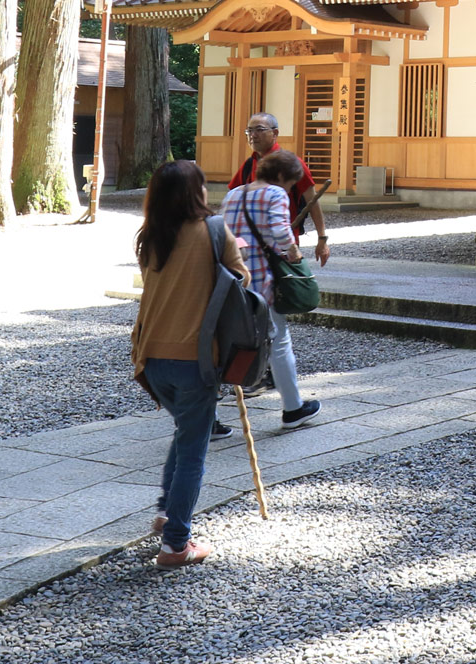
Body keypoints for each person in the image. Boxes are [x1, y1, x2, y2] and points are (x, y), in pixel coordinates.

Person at [131, 159, 246, 568]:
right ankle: (176, 544)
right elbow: (240, 282)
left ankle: (166, 513)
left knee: (186, 432)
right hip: (194, 357)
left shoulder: (150, 237)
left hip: (151, 357)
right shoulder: (214, 231)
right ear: (195, 192)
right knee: (194, 449)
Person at [224, 149, 321, 429]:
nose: (289, 190)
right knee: (279, 342)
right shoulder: (275, 194)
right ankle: (293, 409)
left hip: (233, 280)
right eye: (291, 184)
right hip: (264, 281)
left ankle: (210, 417)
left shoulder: (234, 194)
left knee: (228, 343)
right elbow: (280, 231)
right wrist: (294, 254)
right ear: (280, 176)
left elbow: (223, 232)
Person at [231, 113, 331, 264]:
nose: (253, 135)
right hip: (251, 244)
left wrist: (322, 238)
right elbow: (233, 200)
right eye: (249, 131)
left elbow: (312, 201)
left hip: (285, 245)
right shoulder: (248, 165)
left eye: (259, 130)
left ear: (275, 133)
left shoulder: (292, 164)